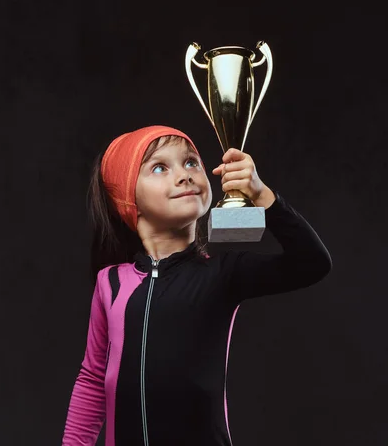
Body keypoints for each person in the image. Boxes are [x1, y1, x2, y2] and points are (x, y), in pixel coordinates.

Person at [62, 125, 332, 446]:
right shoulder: (112, 283)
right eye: (160, 167)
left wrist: (263, 196)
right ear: (126, 198)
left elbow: (312, 263)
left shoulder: (223, 273)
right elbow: (93, 380)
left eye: (191, 163)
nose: (184, 175)